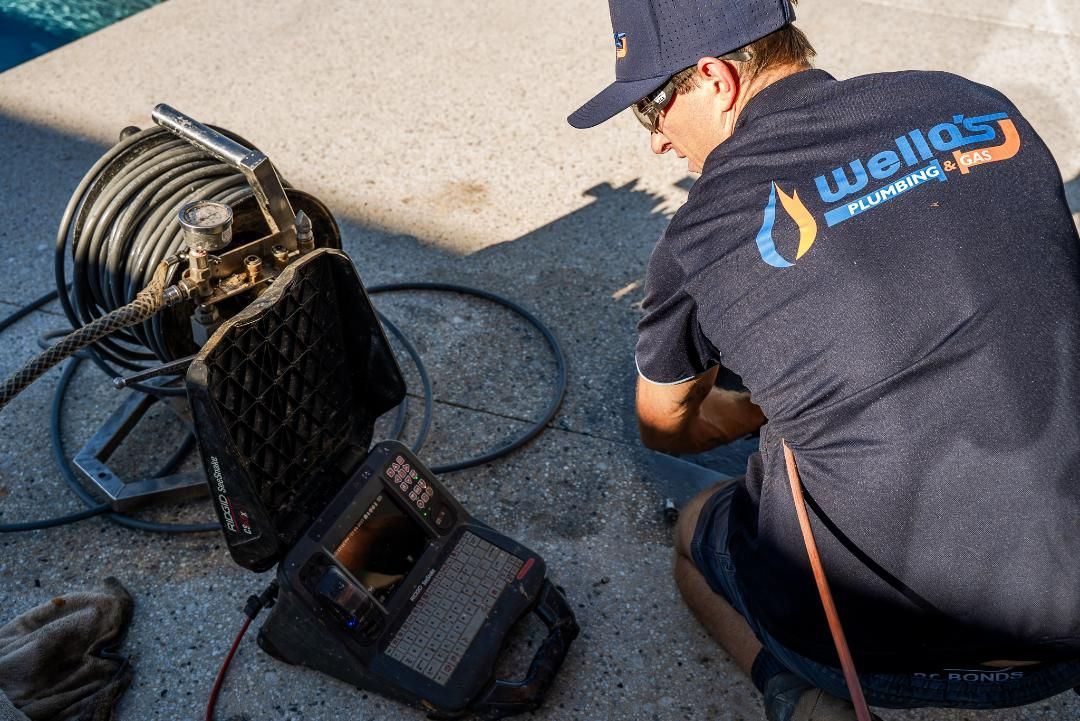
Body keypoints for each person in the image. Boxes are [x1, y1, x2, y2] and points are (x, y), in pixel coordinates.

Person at [567, 1, 1080, 720]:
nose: (656, 141)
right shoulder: (975, 105)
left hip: (874, 648)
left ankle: (797, 697)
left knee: (693, 534)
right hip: (1070, 621)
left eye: (653, 106)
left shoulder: (703, 229)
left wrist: (765, 405)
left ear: (715, 79)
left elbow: (666, 425)